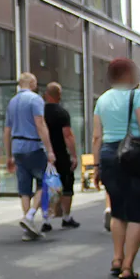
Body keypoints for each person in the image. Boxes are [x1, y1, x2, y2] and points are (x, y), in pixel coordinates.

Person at [92, 58, 140, 279]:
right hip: (134, 154)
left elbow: (96, 136)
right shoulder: (137, 96)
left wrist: (96, 166)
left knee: (117, 210)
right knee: (137, 213)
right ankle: (128, 266)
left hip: (108, 156)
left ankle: (116, 258)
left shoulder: (101, 100)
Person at [4, 72, 56, 240]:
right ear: (32, 83)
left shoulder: (11, 102)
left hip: (17, 148)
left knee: (24, 189)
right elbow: (40, 125)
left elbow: (7, 131)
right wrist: (49, 150)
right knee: (44, 182)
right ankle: (31, 216)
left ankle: (29, 227)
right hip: (33, 146)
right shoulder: (35, 99)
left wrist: (9, 155)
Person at [43, 82, 80, 229]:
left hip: (46, 154)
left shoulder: (40, 113)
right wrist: (74, 155)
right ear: (59, 96)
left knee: (48, 186)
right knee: (66, 186)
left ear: (46, 95)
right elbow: (68, 136)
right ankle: (66, 217)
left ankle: (47, 221)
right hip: (60, 155)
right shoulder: (62, 113)